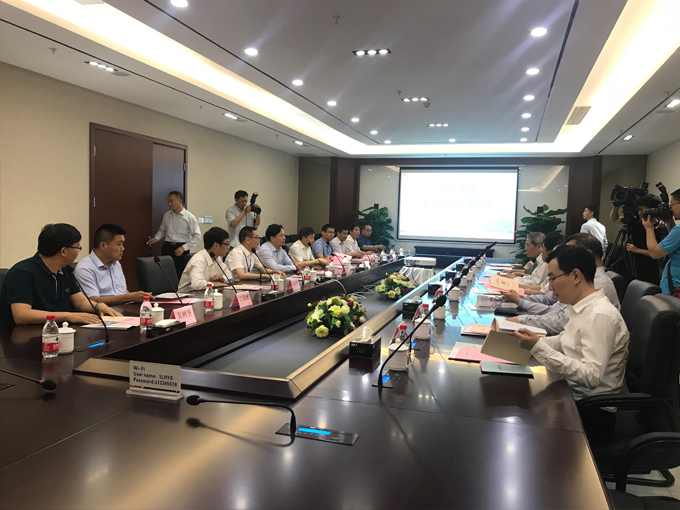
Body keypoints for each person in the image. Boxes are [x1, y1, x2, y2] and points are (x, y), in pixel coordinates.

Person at [512, 245, 629, 402]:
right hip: (566, 389)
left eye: (553, 279)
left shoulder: (599, 315)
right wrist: (529, 342)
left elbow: (592, 376)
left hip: (586, 405)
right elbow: (564, 340)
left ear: (575, 276)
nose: (550, 287)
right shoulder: (582, 306)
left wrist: (537, 347)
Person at [0, 224, 122, 328]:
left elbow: (80, 302)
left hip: (59, 331)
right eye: (77, 247)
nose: (78, 252)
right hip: (23, 338)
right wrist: (69, 316)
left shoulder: (65, 271)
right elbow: (21, 315)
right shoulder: (22, 273)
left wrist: (99, 306)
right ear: (63, 251)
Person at [504, 233, 620, 335]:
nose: (563, 256)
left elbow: (561, 322)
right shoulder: (581, 278)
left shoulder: (598, 285)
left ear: (587, 254)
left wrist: (521, 319)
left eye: (569, 252)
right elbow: (556, 312)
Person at [74, 224, 152, 306]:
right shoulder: (85, 268)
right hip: (103, 311)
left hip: (123, 308)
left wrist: (137, 297)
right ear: (103, 245)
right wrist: (130, 297)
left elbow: (123, 292)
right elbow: (92, 300)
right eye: (119, 244)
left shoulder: (116, 263)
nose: (123, 248)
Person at [610, 194, 669, 285]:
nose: (639, 212)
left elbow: (659, 254)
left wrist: (638, 250)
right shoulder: (636, 221)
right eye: (638, 209)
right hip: (630, 265)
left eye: (641, 209)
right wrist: (615, 208)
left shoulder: (661, 228)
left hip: (648, 270)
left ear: (652, 210)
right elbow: (615, 219)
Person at [146, 191, 201, 278]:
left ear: (180, 201)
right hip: (167, 246)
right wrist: (156, 238)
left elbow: (197, 237)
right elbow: (162, 230)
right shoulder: (167, 215)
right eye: (168, 201)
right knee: (165, 273)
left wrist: (183, 248)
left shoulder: (190, 217)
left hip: (181, 248)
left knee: (179, 274)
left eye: (171, 201)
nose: (169, 204)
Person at [642, 188, 680, 295]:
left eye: (672, 205)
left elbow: (655, 253)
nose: (671, 209)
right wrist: (669, 222)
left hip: (675, 291)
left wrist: (649, 228)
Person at [177, 227, 233, 293]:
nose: (228, 247)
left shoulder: (217, 258)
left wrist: (222, 278)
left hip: (205, 294)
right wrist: (213, 284)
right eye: (226, 244)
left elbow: (230, 276)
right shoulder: (198, 260)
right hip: (187, 296)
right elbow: (196, 284)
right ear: (216, 245)